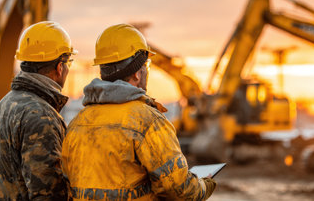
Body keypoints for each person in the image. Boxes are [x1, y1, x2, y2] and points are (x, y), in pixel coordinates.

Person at [61, 23, 216, 200]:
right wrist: (204, 185)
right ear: (136, 73)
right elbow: (179, 190)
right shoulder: (147, 121)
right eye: (146, 66)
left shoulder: (77, 124)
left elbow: (66, 185)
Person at [0, 21, 77, 200]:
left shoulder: (5, 104)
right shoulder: (41, 116)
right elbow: (48, 194)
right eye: (68, 63)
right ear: (59, 68)